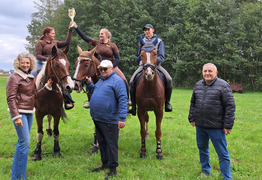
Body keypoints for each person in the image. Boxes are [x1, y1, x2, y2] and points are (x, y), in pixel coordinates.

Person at [6, 53, 53, 180]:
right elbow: (10, 99)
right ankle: (16, 177)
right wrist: (16, 116)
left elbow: (34, 95)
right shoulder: (14, 78)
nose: (25, 65)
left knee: (22, 143)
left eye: (27, 63)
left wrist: (46, 87)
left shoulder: (30, 77)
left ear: (31, 64)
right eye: (23, 62)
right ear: (18, 63)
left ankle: (18, 175)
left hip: (28, 112)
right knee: (24, 143)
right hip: (20, 113)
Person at [188, 63, 235, 180]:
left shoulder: (223, 86)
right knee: (202, 149)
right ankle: (205, 171)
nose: (207, 73)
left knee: (222, 153)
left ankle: (227, 177)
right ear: (202, 72)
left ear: (216, 73)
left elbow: (230, 106)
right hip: (200, 126)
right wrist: (192, 118)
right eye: (205, 71)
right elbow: (193, 103)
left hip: (216, 127)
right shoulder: (198, 85)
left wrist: (228, 125)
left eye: (210, 71)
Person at [69, 21, 130, 108]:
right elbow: (85, 37)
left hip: (111, 66)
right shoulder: (96, 43)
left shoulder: (113, 45)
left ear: (107, 35)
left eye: (102, 34)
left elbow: (118, 58)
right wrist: (76, 27)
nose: (100, 35)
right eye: (100, 34)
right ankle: (90, 100)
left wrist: (111, 67)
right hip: (99, 66)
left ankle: (127, 99)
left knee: (124, 79)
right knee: (88, 78)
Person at [85, 60, 128, 179]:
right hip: (98, 118)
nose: (102, 71)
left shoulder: (117, 81)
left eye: (105, 69)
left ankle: (113, 169)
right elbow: (95, 92)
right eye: (101, 69)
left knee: (111, 144)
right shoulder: (101, 80)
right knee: (102, 142)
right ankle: (105, 164)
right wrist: (89, 84)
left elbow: (123, 99)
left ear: (112, 69)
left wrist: (122, 118)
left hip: (109, 119)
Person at [128, 24, 173, 116]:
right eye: (145, 30)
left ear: (153, 30)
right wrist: (142, 60)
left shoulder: (159, 42)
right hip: (143, 66)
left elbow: (161, 56)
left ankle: (167, 103)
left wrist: (153, 63)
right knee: (132, 81)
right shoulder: (141, 42)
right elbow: (138, 56)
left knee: (169, 79)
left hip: (156, 66)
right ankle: (133, 106)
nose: (147, 32)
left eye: (148, 30)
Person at [33, 24, 75, 109]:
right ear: (46, 34)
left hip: (53, 64)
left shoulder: (55, 43)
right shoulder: (40, 43)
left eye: (54, 33)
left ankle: (67, 99)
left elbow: (66, 43)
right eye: (52, 33)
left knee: (62, 77)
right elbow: (38, 55)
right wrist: (49, 59)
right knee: (31, 76)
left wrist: (70, 30)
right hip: (41, 63)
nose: (54, 35)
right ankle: (30, 98)